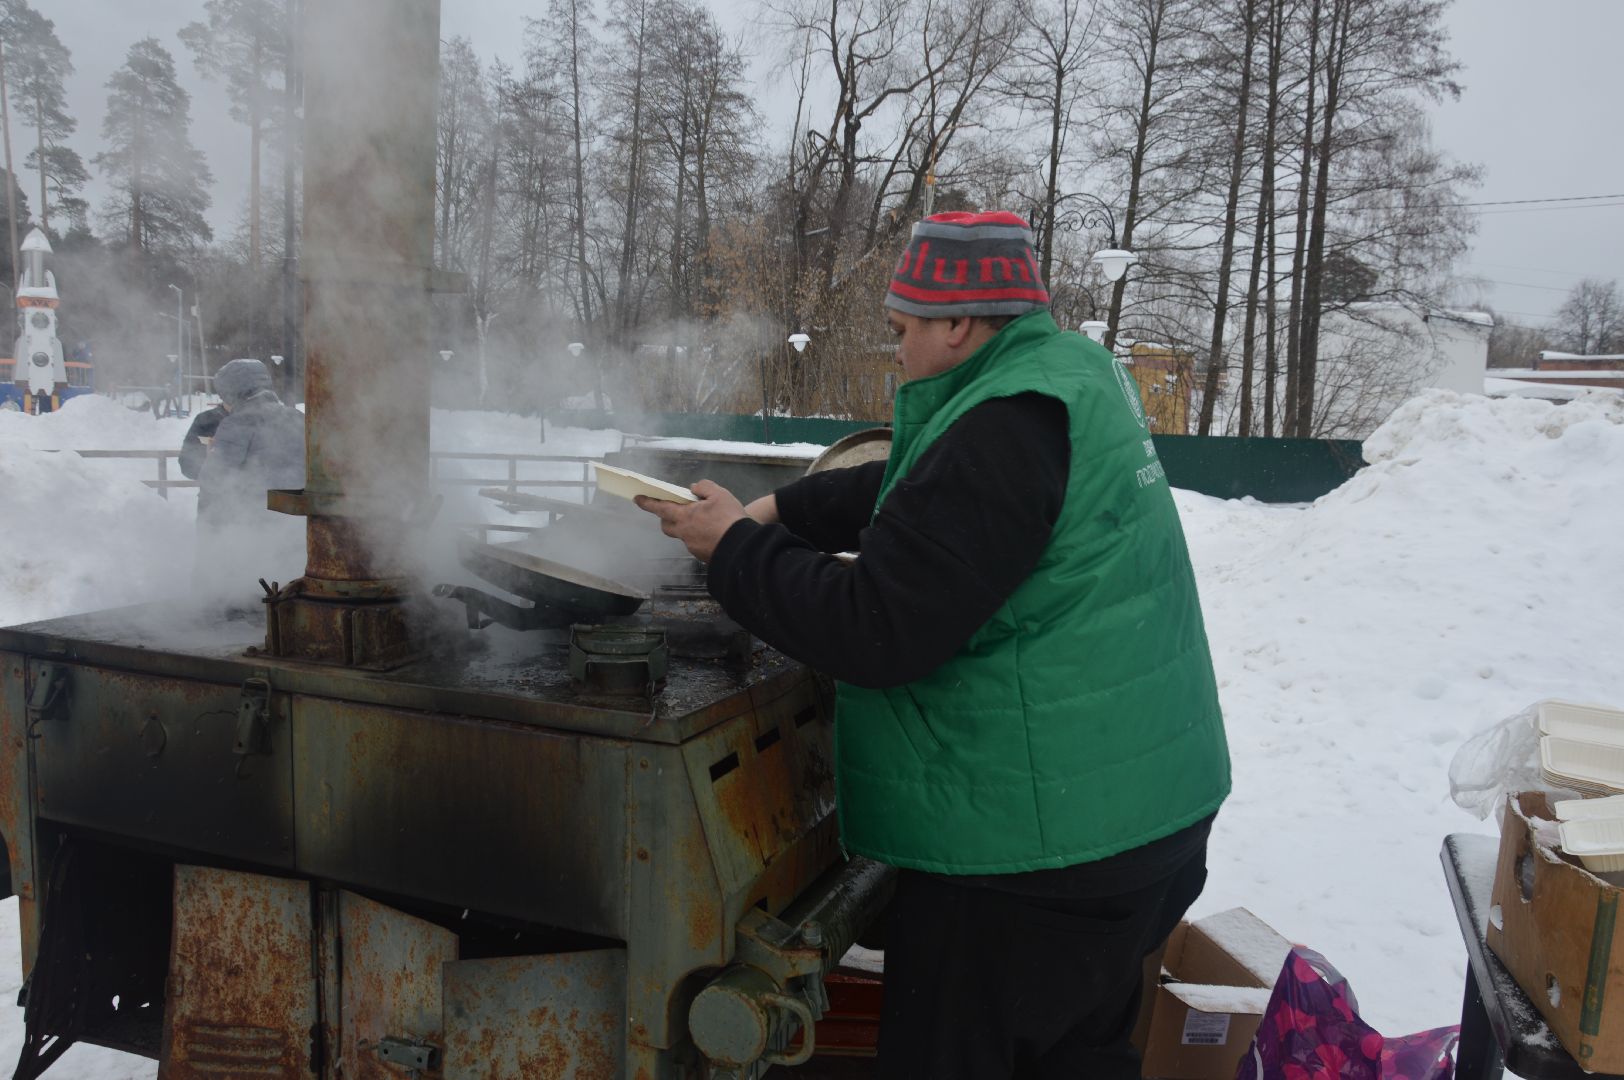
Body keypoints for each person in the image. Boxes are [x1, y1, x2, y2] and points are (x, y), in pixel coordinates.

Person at [636, 210, 1230, 1079]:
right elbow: (934, 489)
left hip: (1035, 860)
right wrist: (785, 508)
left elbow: (874, 629)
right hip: (1140, 815)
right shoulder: (1068, 373)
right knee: (1075, 1057)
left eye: (901, 329)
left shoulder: (1005, 422)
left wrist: (734, 549)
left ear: (956, 324)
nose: (897, 350)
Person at [191, 358, 306, 597]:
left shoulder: (238, 423)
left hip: (251, 530)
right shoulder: (296, 418)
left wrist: (208, 534)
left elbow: (215, 481)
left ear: (234, 392)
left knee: (245, 602)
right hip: (295, 527)